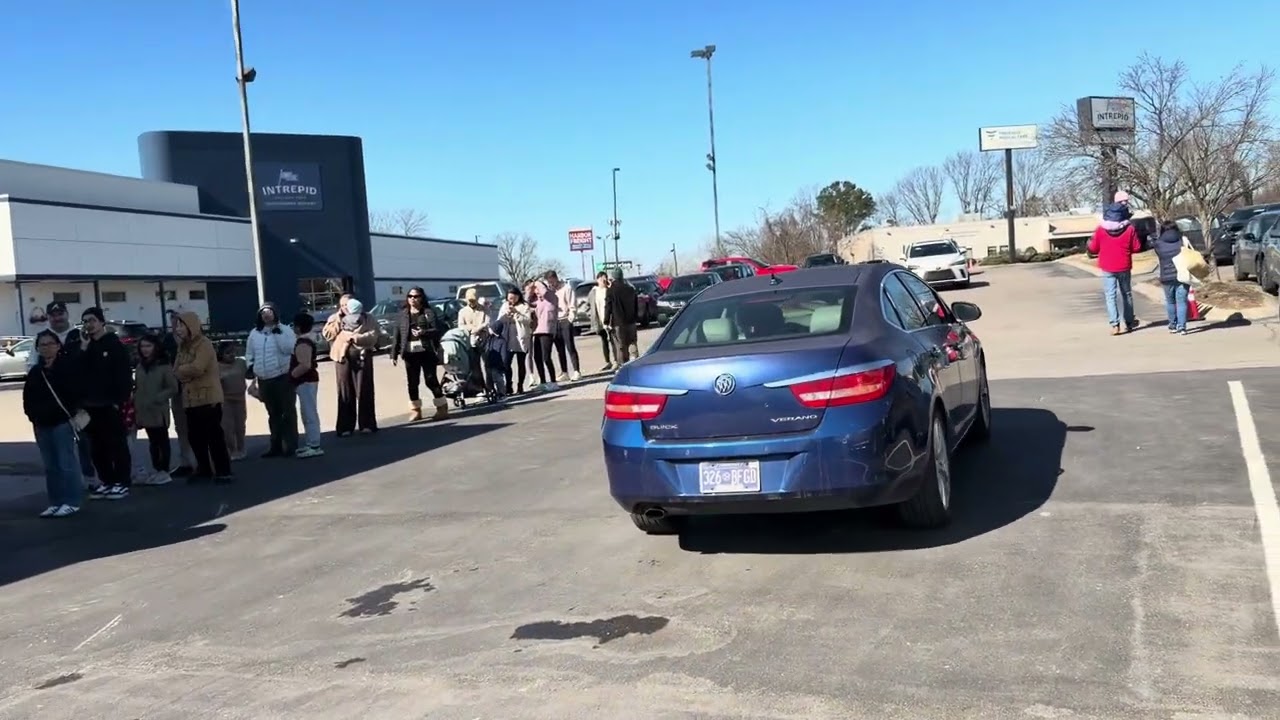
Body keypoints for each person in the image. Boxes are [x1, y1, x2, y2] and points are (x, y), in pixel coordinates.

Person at [27, 301, 95, 486]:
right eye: (53, 315)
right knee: (58, 446)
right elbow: (32, 367)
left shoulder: (79, 335)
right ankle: (69, 483)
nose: (57, 318)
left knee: (84, 439)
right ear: (48, 317)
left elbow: (89, 363)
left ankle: (89, 476)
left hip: (78, 397)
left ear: (66, 314)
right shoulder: (41, 338)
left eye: (60, 314)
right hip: (51, 401)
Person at [23, 330, 85, 517]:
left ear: (58, 346)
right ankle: (56, 501)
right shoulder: (36, 372)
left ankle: (72, 501)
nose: (47, 347)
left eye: (51, 343)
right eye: (43, 344)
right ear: (38, 348)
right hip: (41, 424)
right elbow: (28, 398)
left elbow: (76, 394)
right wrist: (33, 416)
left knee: (66, 463)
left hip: (61, 422)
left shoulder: (67, 368)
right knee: (50, 466)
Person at [79, 307, 134, 501]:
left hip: (110, 403)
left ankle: (122, 482)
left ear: (102, 322)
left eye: (92, 320)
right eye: (85, 321)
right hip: (91, 405)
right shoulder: (86, 346)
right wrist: (84, 348)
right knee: (96, 446)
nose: (89, 324)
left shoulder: (114, 345)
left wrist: (120, 400)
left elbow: (123, 375)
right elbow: (81, 372)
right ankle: (107, 480)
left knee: (116, 444)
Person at [172, 310, 233, 482]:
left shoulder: (203, 344)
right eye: (177, 325)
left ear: (190, 325)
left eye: (181, 325)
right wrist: (185, 371)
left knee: (214, 437)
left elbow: (199, 367)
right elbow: (175, 370)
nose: (178, 329)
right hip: (190, 399)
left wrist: (184, 371)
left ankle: (223, 471)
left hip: (208, 398)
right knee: (195, 437)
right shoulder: (182, 346)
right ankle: (203, 469)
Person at [245, 303, 298, 457]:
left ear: (275, 314)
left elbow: (290, 349)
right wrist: (251, 366)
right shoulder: (255, 333)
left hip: (282, 377)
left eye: (269, 312)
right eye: (263, 313)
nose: (267, 315)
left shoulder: (285, 330)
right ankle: (275, 445)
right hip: (264, 379)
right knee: (273, 414)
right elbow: (249, 353)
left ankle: (291, 445)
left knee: (287, 412)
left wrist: (278, 334)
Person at [323, 296, 380, 435]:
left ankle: (367, 424)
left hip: (362, 355)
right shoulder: (335, 318)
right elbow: (328, 335)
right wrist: (338, 321)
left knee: (364, 389)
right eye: (342, 305)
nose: (345, 308)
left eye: (347, 305)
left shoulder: (368, 317)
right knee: (344, 391)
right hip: (342, 358)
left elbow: (374, 334)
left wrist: (356, 338)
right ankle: (345, 427)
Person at [391, 286, 448, 421]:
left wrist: (424, 333)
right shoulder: (403, 314)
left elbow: (437, 331)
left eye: (416, 296)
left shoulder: (428, 312)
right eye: (410, 296)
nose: (413, 299)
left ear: (422, 298)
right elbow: (396, 335)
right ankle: (416, 410)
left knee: (430, 380)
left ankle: (442, 408)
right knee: (412, 382)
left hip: (426, 351)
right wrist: (394, 353)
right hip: (410, 353)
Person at [132, 334, 179, 486]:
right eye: (143, 346)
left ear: (156, 347)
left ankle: (164, 470)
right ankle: (157, 469)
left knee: (162, 441)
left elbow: (173, 387)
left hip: (158, 409)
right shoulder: (140, 366)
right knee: (152, 442)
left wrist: (158, 398)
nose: (145, 350)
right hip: (144, 410)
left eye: (148, 346)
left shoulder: (164, 366)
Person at [1087, 212, 1143, 335]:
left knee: (1110, 296)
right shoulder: (1129, 229)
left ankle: (1115, 325)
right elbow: (1137, 247)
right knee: (1126, 293)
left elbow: (1093, 248)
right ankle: (1129, 322)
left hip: (1107, 266)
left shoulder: (1100, 229)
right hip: (1124, 265)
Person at [163, 311, 198, 477]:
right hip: (176, 389)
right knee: (180, 426)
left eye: (178, 322)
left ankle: (199, 461)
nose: (175, 325)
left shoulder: (194, 341)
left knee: (195, 425)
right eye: (173, 322)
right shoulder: (167, 340)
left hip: (193, 388)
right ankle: (185, 461)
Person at [290, 312, 324, 458]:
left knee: (309, 412)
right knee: (306, 412)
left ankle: (314, 445)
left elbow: (305, 365)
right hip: (305, 381)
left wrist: (291, 375)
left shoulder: (303, 343)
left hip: (306, 381)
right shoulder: (305, 340)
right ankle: (311, 443)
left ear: (298, 327)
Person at [1153, 219, 1191, 335]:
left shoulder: (1158, 244)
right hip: (1182, 274)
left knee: (1170, 302)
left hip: (1166, 276)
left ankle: (1172, 325)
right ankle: (1182, 327)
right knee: (1182, 302)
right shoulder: (1182, 240)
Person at [544, 270, 582, 382]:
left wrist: (570, 319)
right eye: (549, 283)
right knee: (559, 348)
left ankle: (576, 371)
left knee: (570, 346)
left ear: (556, 278)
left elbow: (572, 304)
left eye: (552, 282)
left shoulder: (567, 288)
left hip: (565, 319)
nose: (551, 284)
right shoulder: (550, 291)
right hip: (555, 321)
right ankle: (564, 371)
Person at [497, 287, 532, 394]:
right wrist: (506, 315)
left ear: (518, 296)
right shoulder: (505, 305)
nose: (511, 300)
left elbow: (528, 320)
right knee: (506, 363)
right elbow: (499, 320)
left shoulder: (524, 306)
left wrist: (517, 313)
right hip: (508, 338)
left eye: (513, 298)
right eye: (509, 298)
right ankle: (509, 385)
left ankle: (520, 385)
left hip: (520, 338)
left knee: (521, 363)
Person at [218, 343, 249, 460]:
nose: (231, 355)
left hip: (240, 398)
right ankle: (232, 449)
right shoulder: (217, 366)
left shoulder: (241, 363)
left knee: (240, 425)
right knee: (227, 427)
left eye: (233, 352)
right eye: (228, 353)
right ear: (221, 354)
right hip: (225, 399)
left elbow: (250, 373)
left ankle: (241, 448)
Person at [604, 268, 640, 364]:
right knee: (632, 342)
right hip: (631, 321)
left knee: (621, 345)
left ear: (613, 277)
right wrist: (635, 317)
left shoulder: (611, 291)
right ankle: (634, 360)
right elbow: (636, 305)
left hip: (618, 322)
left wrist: (606, 321)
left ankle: (623, 365)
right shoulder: (630, 289)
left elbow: (608, 306)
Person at [530, 281, 560, 391]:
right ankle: (542, 381)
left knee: (546, 357)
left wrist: (537, 282)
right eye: (535, 290)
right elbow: (526, 300)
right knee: (537, 357)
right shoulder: (538, 301)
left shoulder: (552, 298)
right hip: (537, 331)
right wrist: (530, 289)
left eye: (538, 289)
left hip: (547, 330)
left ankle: (553, 381)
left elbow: (545, 291)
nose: (537, 291)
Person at [586, 271, 616, 371]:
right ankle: (607, 362)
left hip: (610, 319)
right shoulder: (594, 291)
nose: (604, 281)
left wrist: (611, 286)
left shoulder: (610, 290)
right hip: (600, 320)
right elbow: (587, 306)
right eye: (602, 279)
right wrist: (592, 315)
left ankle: (616, 360)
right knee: (604, 341)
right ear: (598, 279)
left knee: (613, 340)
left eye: (605, 278)